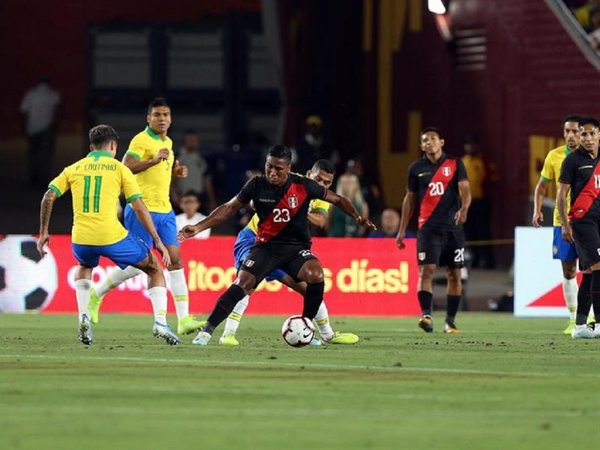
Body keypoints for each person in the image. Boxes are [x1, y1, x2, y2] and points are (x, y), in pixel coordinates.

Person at [178, 145, 375, 345]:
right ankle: (213, 332)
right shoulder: (258, 184)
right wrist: (198, 227)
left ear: (288, 168)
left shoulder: (307, 188)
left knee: (314, 277)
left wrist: (357, 217)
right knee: (244, 284)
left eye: (278, 169)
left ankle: (312, 329)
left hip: (294, 249)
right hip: (259, 242)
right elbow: (230, 208)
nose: (272, 172)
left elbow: (335, 205)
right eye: (269, 167)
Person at [36, 125, 179, 346]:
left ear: (90, 147)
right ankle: (160, 322)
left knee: (84, 266)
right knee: (154, 268)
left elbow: (48, 197)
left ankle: (83, 315)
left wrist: (44, 232)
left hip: (81, 239)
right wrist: (157, 241)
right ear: (113, 146)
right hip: (112, 237)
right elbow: (139, 206)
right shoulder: (119, 168)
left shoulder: (74, 168)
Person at [88, 98, 203, 336]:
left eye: (166, 115)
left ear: (171, 118)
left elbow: (161, 171)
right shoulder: (141, 140)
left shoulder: (168, 142)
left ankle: (183, 320)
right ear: (148, 118)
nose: (162, 119)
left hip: (165, 210)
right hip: (142, 209)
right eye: (157, 115)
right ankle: (96, 294)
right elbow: (125, 166)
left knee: (176, 260)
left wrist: (175, 171)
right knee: (139, 265)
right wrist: (153, 160)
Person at [218, 159, 359, 346]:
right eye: (319, 179)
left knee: (308, 289)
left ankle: (327, 335)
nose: (322, 185)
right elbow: (254, 199)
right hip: (253, 239)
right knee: (246, 284)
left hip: (285, 247)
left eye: (327, 183)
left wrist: (298, 210)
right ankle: (227, 334)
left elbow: (321, 221)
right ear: (309, 174)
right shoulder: (290, 180)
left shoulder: (320, 196)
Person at [396, 127, 471, 334]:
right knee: (426, 270)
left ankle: (450, 321)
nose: (429, 142)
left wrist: (464, 209)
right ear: (421, 146)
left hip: (453, 229)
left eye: (433, 139)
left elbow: (465, 189)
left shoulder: (455, 164)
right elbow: (409, 199)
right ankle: (426, 315)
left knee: (454, 273)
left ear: (442, 142)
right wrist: (402, 230)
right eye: (424, 140)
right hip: (428, 228)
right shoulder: (415, 168)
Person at [532, 115, 586, 335]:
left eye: (575, 131)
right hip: (561, 220)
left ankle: (589, 314)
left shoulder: (592, 156)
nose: (571, 136)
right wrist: (536, 210)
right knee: (568, 269)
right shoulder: (554, 156)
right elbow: (542, 186)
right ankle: (574, 318)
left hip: (589, 220)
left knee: (592, 268)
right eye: (567, 132)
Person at [557, 117, 600, 339]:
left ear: (599, 135)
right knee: (599, 266)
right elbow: (561, 195)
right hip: (583, 221)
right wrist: (565, 224)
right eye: (584, 134)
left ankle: (581, 326)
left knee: (589, 272)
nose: (588, 138)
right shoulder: (573, 161)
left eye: (592, 134)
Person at [20, 76, 61, 189]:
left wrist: (25, 127)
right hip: (47, 129)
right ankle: (43, 179)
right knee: (45, 155)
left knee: (33, 154)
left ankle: (32, 178)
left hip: (32, 128)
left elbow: (24, 111)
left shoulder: (31, 94)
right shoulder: (53, 94)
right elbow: (57, 112)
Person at [461, 134, 495, 269]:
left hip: (480, 202)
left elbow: (491, 180)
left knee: (483, 232)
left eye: (472, 144)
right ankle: (473, 260)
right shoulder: (463, 161)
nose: (470, 147)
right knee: (469, 232)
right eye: (467, 145)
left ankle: (488, 261)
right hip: (465, 203)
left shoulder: (483, 162)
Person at [173, 130, 216, 214]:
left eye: (194, 140)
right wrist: (174, 195)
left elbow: (207, 181)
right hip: (183, 198)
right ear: (184, 142)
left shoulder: (202, 159)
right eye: (190, 140)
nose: (192, 142)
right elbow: (171, 180)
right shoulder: (177, 158)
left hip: (199, 198)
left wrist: (212, 200)